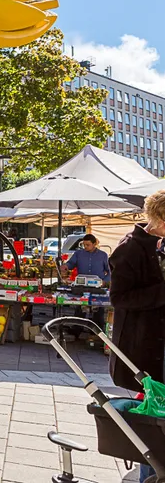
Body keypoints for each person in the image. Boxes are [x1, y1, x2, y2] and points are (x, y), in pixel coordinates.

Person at [109, 192, 165, 483]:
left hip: (160, 343)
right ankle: (150, 476)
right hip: (146, 346)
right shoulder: (129, 249)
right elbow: (119, 298)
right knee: (155, 420)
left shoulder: (161, 244)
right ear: (160, 219)